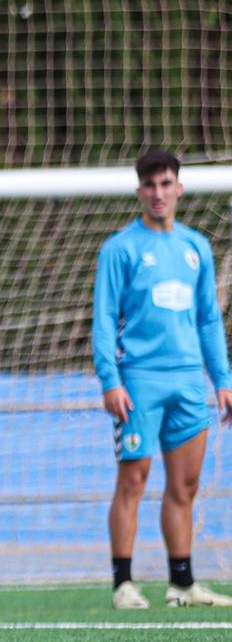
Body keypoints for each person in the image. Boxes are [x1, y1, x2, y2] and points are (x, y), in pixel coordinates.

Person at [93, 149, 232, 610]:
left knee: (185, 486)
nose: (159, 193)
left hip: (190, 382)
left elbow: (209, 320)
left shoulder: (196, 248)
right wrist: (110, 380)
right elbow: (104, 317)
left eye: (166, 183)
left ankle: (182, 583)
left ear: (180, 189)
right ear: (139, 192)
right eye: (150, 185)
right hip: (139, 383)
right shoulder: (119, 249)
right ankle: (123, 584)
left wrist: (223, 379)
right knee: (134, 479)